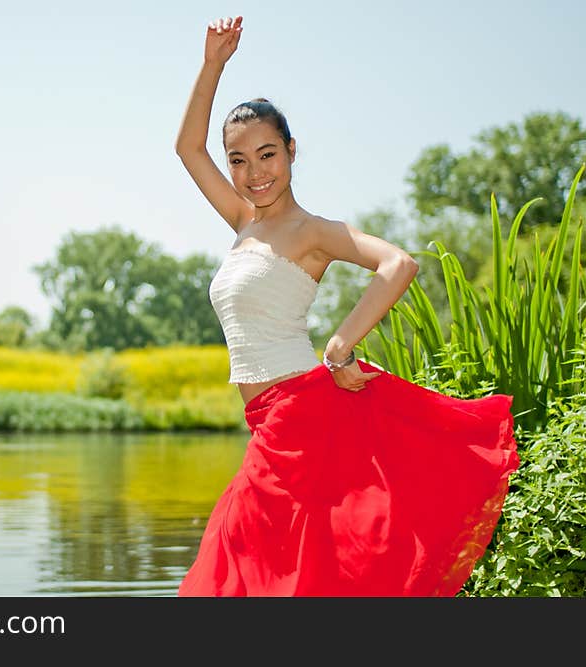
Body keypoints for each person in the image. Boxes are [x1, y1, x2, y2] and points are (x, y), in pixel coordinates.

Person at [174, 15, 520, 597]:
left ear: (290, 151)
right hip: (266, 423)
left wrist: (341, 344)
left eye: (266, 154)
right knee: (273, 574)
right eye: (238, 160)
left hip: (299, 415)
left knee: (244, 575)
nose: (254, 173)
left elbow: (399, 264)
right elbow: (187, 147)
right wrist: (213, 65)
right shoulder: (243, 223)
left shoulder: (313, 231)